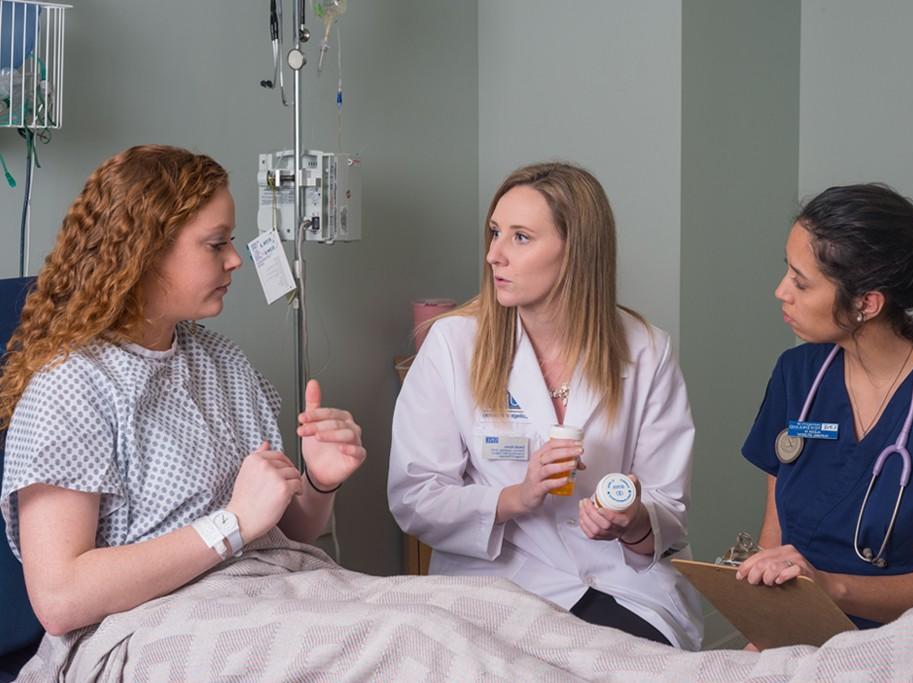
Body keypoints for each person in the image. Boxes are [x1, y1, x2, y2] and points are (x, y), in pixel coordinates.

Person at [0, 145, 366, 637]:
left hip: (273, 595)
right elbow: (60, 599)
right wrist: (230, 522)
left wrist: (319, 481)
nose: (236, 259)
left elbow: (284, 532)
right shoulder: (71, 388)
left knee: (478, 615)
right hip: (156, 629)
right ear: (144, 255)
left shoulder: (223, 362)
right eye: (216, 244)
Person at [387, 162, 702, 649]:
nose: (494, 255)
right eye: (494, 233)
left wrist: (632, 519)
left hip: (614, 583)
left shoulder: (645, 349)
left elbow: (670, 509)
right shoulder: (454, 343)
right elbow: (415, 497)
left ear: (576, 251)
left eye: (520, 237)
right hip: (492, 583)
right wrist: (517, 497)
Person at [737, 183, 913, 654]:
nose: (780, 291)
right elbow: (775, 538)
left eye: (800, 281)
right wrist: (759, 641)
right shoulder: (798, 375)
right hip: (801, 634)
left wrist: (825, 586)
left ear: (866, 303)